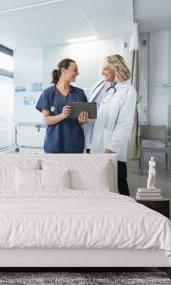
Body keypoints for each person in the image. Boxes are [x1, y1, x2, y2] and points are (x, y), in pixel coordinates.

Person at [86, 54, 137, 196]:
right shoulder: (104, 88)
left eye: (105, 69)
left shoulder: (128, 91)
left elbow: (125, 123)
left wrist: (112, 147)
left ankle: (127, 212)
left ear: (116, 68)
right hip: (95, 143)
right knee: (99, 183)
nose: (102, 73)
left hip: (111, 147)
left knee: (119, 182)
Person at [36, 58, 89, 153]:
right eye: (75, 70)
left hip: (75, 145)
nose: (78, 73)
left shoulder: (79, 93)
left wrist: (82, 121)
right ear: (64, 71)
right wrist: (62, 115)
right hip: (54, 145)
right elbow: (46, 120)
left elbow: (80, 122)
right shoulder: (48, 93)